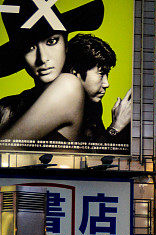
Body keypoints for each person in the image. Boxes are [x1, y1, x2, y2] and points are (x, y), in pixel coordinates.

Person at [0, 0, 103, 139]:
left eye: (51, 41)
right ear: (20, 54)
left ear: (65, 45)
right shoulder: (9, 106)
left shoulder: (70, 86)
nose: (42, 58)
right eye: (30, 48)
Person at [64, 34, 131, 143]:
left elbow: (97, 150)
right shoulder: (56, 106)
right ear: (76, 72)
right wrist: (116, 127)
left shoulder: (94, 106)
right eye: (101, 74)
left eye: (107, 74)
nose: (106, 84)